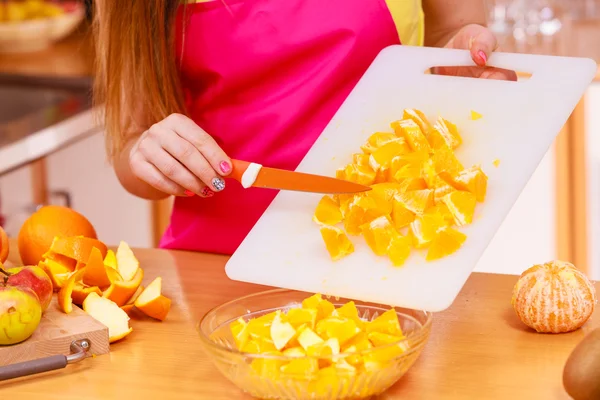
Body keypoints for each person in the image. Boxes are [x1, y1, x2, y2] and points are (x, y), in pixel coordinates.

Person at [93, 0, 516, 255]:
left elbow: (449, 31)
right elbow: (132, 141)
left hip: (386, 249)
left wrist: (458, 67)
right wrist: (150, 155)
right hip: (213, 266)